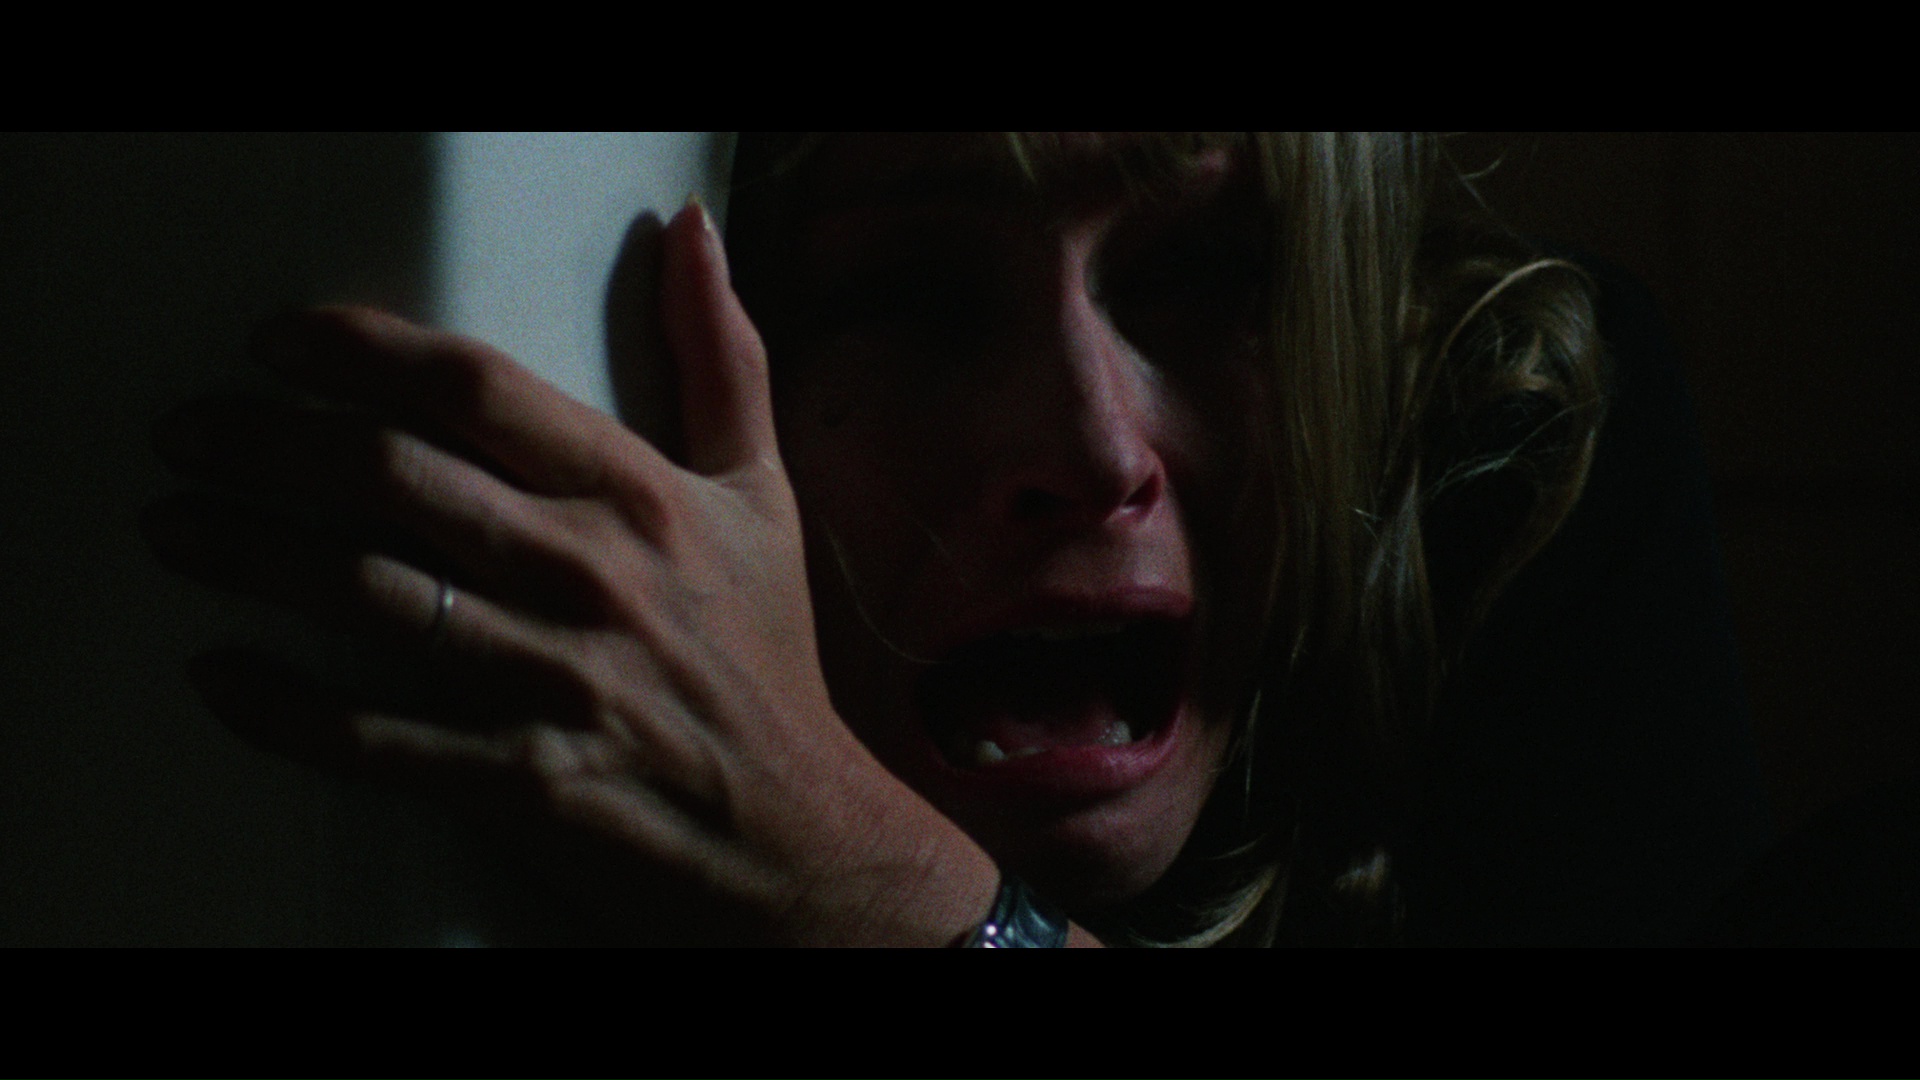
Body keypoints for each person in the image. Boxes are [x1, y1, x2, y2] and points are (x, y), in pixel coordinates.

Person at [144, 133, 1767, 946]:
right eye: (907, 298)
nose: (1092, 452)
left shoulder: (1520, 449)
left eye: (1199, 276)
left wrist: (884, 894)